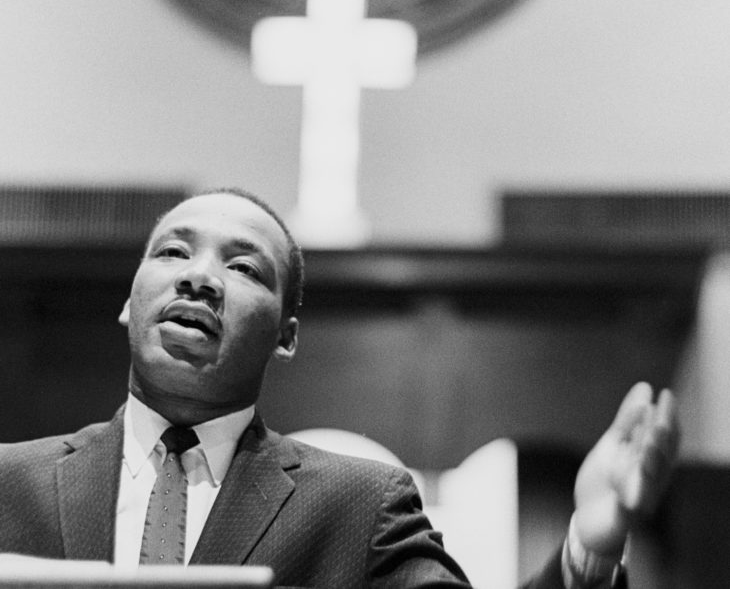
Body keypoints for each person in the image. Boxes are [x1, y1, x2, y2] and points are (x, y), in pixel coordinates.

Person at [0, 188, 679, 588]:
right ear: (128, 302)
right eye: (174, 252)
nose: (199, 277)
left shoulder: (359, 508)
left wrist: (589, 550)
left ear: (286, 336)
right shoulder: (10, 482)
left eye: (243, 267)